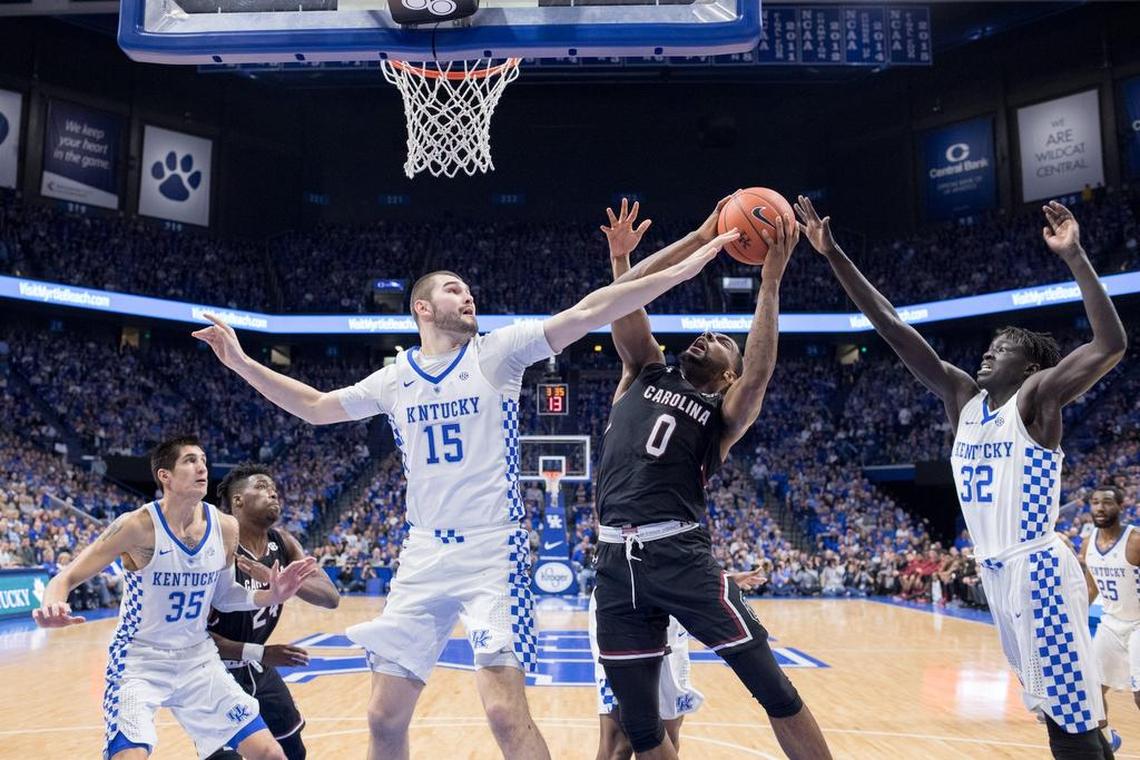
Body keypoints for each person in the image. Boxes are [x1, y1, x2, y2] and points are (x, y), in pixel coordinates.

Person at [191, 230, 736, 760]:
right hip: (423, 554)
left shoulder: (496, 354)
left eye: (468, 289)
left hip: (491, 553)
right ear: (422, 309)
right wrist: (239, 361)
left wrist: (685, 265)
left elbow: (591, 310)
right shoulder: (394, 377)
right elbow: (314, 407)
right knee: (382, 717)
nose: (467, 294)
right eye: (452, 288)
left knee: (503, 712)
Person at [796, 195, 1127, 758]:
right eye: (989, 347)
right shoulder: (963, 400)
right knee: (1057, 713)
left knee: (1068, 726)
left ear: (1028, 367)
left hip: (1037, 568)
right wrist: (835, 257)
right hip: (997, 575)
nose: (987, 355)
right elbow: (894, 327)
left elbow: (1111, 345)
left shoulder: (1038, 398)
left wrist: (1074, 257)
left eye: (1002, 350)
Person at [592, 197, 832, 759]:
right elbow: (621, 303)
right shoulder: (641, 369)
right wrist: (622, 261)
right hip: (612, 563)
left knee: (774, 688)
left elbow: (762, 369)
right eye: (708, 332)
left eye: (723, 340)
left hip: (680, 556)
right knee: (641, 729)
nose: (706, 335)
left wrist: (770, 281)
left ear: (730, 373)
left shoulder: (723, 415)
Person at [33, 435, 319, 760]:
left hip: (197, 659)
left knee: (270, 754)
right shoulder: (137, 526)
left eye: (204, 461)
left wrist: (272, 594)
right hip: (139, 660)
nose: (202, 467)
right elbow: (66, 576)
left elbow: (226, 597)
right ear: (164, 476)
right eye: (190, 460)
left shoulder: (224, 527)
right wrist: (52, 603)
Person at [206, 464, 341, 760]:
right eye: (263, 487)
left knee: (293, 749)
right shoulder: (215, 546)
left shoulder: (283, 542)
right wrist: (260, 652)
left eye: (275, 490)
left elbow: (331, 597)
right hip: (211, 673)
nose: (273, 493)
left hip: (258, 666)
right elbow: (192, 635)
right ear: (238, 500)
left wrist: (279, 583)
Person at [1079, 484, 1136, 753]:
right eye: (1095, 502)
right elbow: (1091, 588)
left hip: (1139, 624)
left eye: (1107, 502)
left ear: (1121, 507)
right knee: (1091, 690)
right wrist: (1073, 617)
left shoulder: (1134, 540)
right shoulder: (1088, 542)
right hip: (1110, 623)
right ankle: (1107, 740)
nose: (1100, 508)